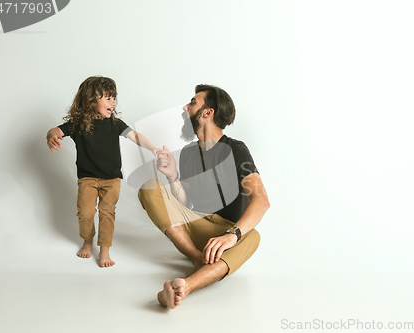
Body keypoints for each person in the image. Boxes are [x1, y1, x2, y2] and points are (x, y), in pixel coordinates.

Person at [138, 84, 270, 309]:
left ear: (208, 113)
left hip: (225, 231)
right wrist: (173, 177)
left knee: (254, 236)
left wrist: (232, 235)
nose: (185, 107)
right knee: (149, 187)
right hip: (196, 225)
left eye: (192, 103)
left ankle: (185, 286)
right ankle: (197, 258)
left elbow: (262, 200)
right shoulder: (189, 152)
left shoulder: (236, 150)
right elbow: (186, 203)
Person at [46, 76, 160, 267]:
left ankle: (105, 249)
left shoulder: (116, 124)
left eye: (114, 97)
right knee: (86, 212)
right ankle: (87, 241)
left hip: (112, 179)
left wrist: (153, 148)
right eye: (107, 98)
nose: (113, 102)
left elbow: (136, 136)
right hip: (87, 179)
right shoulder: (78, 125)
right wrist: (51, 136)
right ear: (90, 100)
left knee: (107, 213)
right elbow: (55, 130)